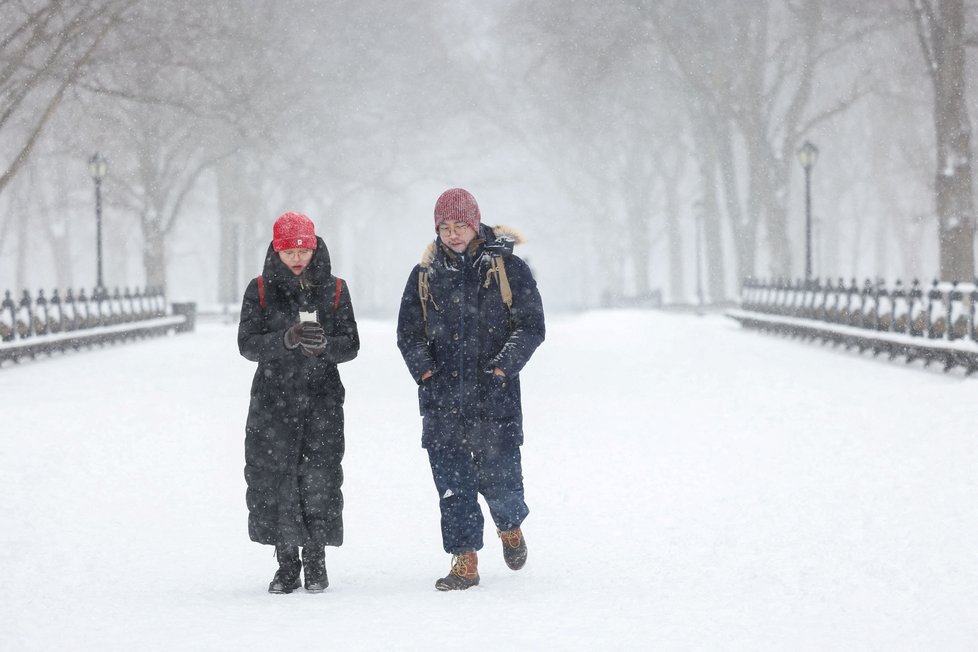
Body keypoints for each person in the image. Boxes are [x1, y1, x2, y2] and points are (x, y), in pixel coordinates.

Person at [396, 188, 545, 590]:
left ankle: (510, 527)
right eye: (444, 227)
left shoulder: (507, 269)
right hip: (442, 403)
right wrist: (426, 373)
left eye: (459, 224)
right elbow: (408, 335)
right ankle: (465, 561)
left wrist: (501, 369)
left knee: (501, 483)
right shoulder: (424, 275)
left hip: (494, 399)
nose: (452, 234)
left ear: (475, 222)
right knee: (453, 486)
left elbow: (531, 326)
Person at [238, 211, 359, 594]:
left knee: (319, 480)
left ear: (313, 246)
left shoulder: (336, 289)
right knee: (275, 481)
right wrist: (284, 340)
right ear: (276, 249)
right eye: (288, 249)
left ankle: (316, 559)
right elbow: (246, 344)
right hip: (272, 404)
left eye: (302, 248)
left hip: (321, 402)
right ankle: (286, 563)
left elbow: (351, 344)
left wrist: (325, 347)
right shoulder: (259, 289)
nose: (296, 257)